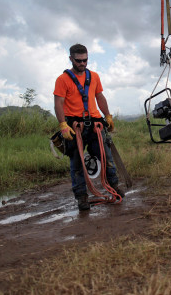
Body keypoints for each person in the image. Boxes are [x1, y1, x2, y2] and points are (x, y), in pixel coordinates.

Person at [53, 43, 124, 211]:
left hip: (95, 125)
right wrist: (63, 124)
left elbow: (99, 97)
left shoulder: (94, 77)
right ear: (71, 59)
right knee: (77, 165)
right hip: (74, 126)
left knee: (106, 158)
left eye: (85, 60)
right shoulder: (62, 80)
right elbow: (58, 103)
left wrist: (108, 116)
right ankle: (82, 198)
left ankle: (114, 188)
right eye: (78, 61)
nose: (82, 64)